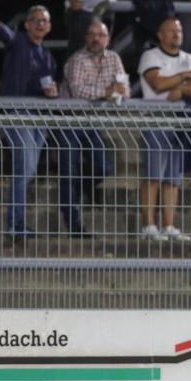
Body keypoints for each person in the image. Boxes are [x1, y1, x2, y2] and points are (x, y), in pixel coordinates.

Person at [0, 6, 58, 242]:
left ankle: (17, 224)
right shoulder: (20, 42)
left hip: (39, 117)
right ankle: (15, 226)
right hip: (16, 113)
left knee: (28, 170)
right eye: (34, 20)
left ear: (50, 26)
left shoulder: (48, 57)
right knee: (23, 167)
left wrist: (52, 93)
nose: (39, 24)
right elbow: (7, 34)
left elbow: (49, 88)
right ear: (26, 25)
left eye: (44, 21)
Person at [59, 19, 126, 235]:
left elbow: (124, 91)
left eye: (101, 35)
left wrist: (110, 92)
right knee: (69, 171)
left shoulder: (114, 58)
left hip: (91, 121)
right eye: (92, 34)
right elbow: (78, 92)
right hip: (68, 121)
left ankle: (80, 192)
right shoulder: (77, 59)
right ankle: (74, 226)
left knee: (103, 167)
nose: (96, 38)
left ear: (108, 39)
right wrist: (106, 92)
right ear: (86, 37)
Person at [137, 17, 191, 243]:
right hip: (155, 120)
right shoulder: (150, 56)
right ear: (160, 35)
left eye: (179, 30)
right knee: (154, 174)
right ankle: (149, 226)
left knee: (173, 177)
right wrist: (183, 78)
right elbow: (157, 84)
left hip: (181, 122)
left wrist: (181, 88)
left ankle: (169, 225)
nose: (176, 34)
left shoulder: (190, 58)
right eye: (171, 31)